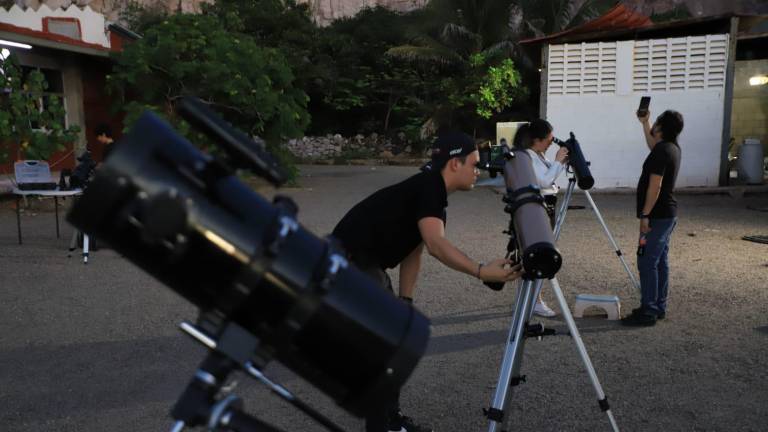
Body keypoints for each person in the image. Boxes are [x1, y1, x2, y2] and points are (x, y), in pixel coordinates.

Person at [332, 132, 523, 432]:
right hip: (350, 262)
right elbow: (436, 244)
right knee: (388, 345)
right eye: (473, 164)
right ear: (454, 164)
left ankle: (386, 422)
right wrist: (481, 271)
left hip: (358, 262)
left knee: (391, 340)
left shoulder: (428, 187)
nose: (479, 170)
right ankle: (385, 424)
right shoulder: (430, 188)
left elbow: (415, 249)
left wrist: (405, 302)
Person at [621, 109, 683, 327]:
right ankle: (658, 306)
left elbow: (654, 187)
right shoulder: (671, 148)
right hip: (667, 214)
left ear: (661, 128)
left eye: (656, 122)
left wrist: (645, 215)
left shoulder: (661, 152)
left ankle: (649, 310)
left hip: (657, 215)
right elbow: (652, 144)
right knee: (660, 261)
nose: (653, 124)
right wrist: (644, 123)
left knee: (647, 261)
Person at [513, 119, 569, 317]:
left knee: (530, 254)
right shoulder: (527, 156)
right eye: (549, 139)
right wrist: (558, 161)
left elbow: (549, 179)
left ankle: (526, 297)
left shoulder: (537, 154)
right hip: (535, 211)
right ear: (537, 140)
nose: (551, 143)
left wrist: (559, 163)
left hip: (542, 207)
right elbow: (543, 180)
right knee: (538, 254)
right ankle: (534, 301)